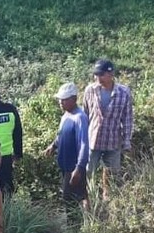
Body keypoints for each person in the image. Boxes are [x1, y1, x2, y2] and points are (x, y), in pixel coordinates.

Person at [81, 59, 134, 200]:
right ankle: (86, 197)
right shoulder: (90, 90)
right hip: (93, 138)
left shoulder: (123, 92)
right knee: (87, 170)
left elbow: (127, 118)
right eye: (96, 75)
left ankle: (106, 195)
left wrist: (127, 141)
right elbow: (85, 115)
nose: (97, 78)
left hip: (112, 139)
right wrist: (81, 138)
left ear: (111, 74)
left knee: (111, 171)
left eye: (101, 75)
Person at [44, 82, 90, 222]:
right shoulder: (66, 116)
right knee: (73, 196)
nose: (60, 102)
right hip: (65, 165)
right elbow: (61, 135)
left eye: (64, 99)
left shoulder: (79, 117)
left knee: (71, 197)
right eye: (60, 99)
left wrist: (79, 168)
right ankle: (79, 225)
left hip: (73, 166)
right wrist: (53, 146)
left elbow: (84, 144)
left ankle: (76, 226)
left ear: (74, 99)